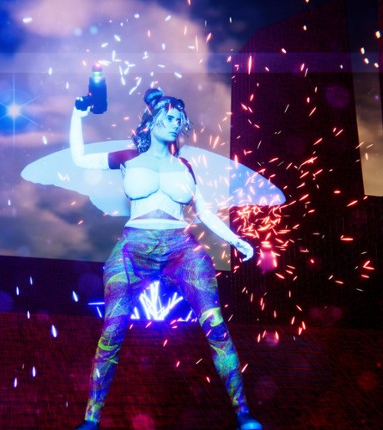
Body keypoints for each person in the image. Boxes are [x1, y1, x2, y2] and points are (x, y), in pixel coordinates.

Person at [71, 88, 263, 430]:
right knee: (112, 331)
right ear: (153, 120)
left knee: (217, 327)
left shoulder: (185, 165)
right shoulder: (128, 156)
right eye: (170, 118)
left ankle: (244, 414)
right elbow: (80, 158)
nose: (176, 124)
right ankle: (91, 419)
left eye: (180, 120)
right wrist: (77, 117)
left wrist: (235, 239)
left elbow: (204, 211)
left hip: (181, 249)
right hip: (134, 249)